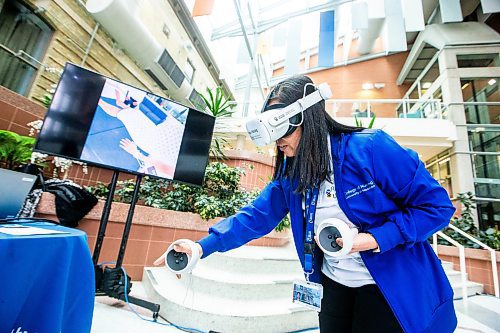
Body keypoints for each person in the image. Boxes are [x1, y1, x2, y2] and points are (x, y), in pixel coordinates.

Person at [154, 75, 457, 333]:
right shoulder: (294, 172)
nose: (277, 143)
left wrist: (373, 239)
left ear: (306, 119)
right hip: (334, 286)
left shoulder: (370, 150)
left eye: (282, 131)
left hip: (388, 288)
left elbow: (437, 208)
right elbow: (256, 217)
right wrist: (200, 247)